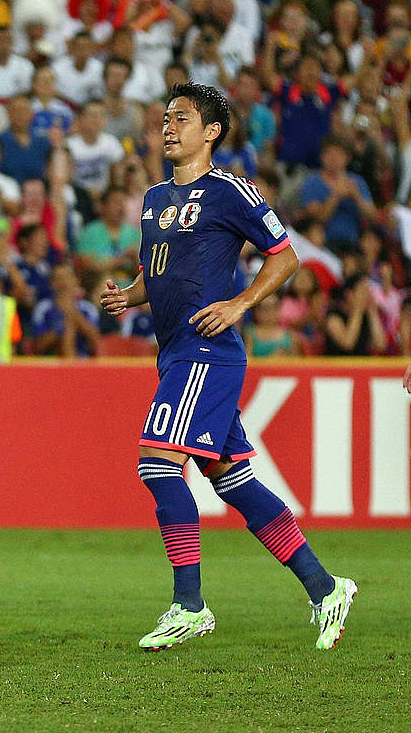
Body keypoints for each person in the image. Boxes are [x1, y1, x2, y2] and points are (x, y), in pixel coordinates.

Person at [99, 83, 355, 652]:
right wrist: (131, 297)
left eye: (181, 119)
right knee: (231, 482)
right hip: (174, 352)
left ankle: (189, 604)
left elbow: (285, 257)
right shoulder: (153, 198)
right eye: (165, 118)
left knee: (158, 465)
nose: (168, 127)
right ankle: (325, 587)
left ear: (211, 132)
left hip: (206, 351)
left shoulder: (230, 191)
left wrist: (241, 304)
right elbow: (159, 273)